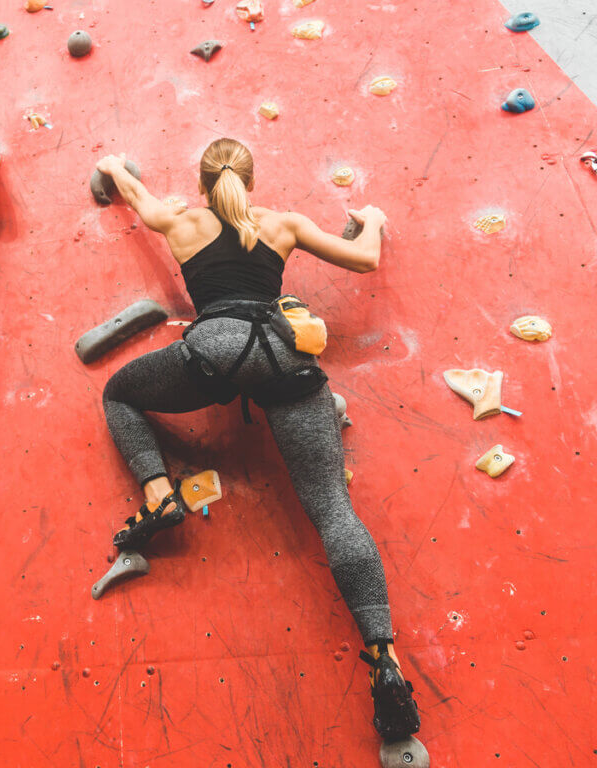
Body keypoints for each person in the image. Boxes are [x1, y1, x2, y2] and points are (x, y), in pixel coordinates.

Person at [95, 138, 420, 743]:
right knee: (331, 507)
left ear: (201, 184)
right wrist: (372, 218)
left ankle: (161, 493)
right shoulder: (281, 224)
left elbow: (134, 194)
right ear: (251, 180)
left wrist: (114, 166)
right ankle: (385, 657)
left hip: (215, 350)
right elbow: (365, 258)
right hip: (283, 351)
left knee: (118, 393)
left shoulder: (180, 219)